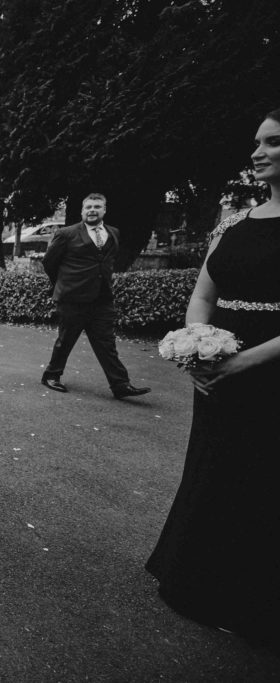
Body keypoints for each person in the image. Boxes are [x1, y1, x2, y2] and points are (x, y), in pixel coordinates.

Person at [146, 108, 280, 647]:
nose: (258, 152)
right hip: (217, 373)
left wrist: (241, 363)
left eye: (273, 142)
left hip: (267, 371)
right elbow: (203, 293)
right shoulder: (233, 223)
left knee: (261, 481)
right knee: (213, 467)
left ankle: (247, 599)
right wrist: (196, 348)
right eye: (256, 143)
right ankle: (192, 575)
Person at [40, 193, 151, 399]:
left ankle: (120, 384)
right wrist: (64, 284)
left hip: (102, 299)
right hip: (72, 298)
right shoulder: (67, 233)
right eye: (88, 207)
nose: (92, 210)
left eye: (97, 206)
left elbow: (108, 261)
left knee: (106, 343)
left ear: (104, 210)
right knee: (66, 339)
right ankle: (51, 375)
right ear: (82, 211)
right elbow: (49, 262)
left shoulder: (114, 233)